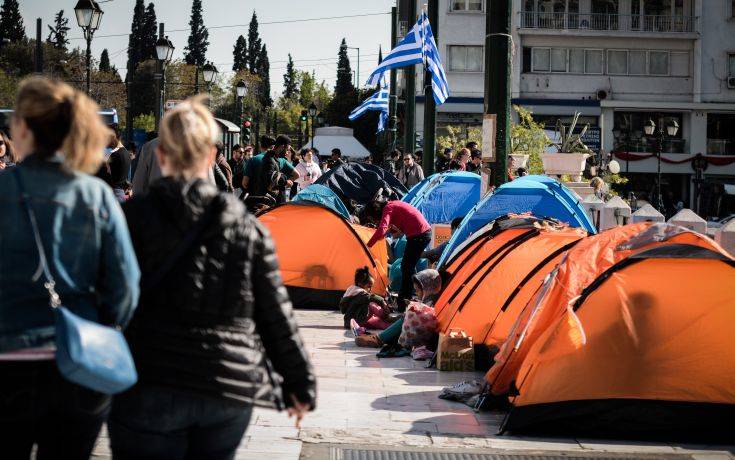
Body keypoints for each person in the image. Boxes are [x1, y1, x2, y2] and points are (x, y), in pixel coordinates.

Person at [110, 96, 315, 459]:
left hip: (148, 379)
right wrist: (299, 383)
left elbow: (104, 300)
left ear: (159, 154)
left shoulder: (129, 220)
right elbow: (274, 312)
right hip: (226, 385)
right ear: (211, 156)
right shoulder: (245, 225)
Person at [0, 77, 140, 459]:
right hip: (77, 361)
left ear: (23, 129)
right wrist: (103, 326)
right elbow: (125, 285)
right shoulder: (94, 194)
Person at [365, 200, 431, 309]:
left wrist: (368, 246)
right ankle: (407, 300)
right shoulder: (393, 204)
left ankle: (404, 302)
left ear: (376, 211)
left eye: (373, 218)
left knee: (407, 267)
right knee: (408, 267)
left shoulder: (388, 208)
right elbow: (386, 231)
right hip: (421, 234)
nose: (375, 220)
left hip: (419, 235)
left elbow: (382, 229)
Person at [340, 267, 391, 332]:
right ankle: (386, 317)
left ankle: (387, 321)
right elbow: (370, 297)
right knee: (371, 305)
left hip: (349, 322)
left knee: (375, 320)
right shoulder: (360, 294)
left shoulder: (352, 292)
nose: (370, 289)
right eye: (369, 287)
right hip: (356, 322)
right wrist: (382, 301)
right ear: (360, 284)